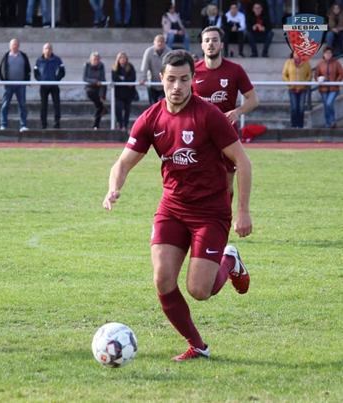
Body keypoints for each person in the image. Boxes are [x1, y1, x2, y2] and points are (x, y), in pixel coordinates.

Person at [103, 50, 252, 362]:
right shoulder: (151, 119)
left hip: (211, 211)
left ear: (192, 80)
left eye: (185, 79)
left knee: (200, 290)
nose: (178, 86)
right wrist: (113, 188)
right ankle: (198, 345)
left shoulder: (208, 115)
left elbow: (242, 161)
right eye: (171, 79)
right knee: (163, 279)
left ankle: (230, 261)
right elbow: (123, 163)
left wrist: (242, 211)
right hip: (172, 208)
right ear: (161, 79)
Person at [194, 26, 258, 197]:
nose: (211, 44)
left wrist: (237, 112)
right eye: (207, 40)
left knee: (227, 184)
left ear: (221, 44)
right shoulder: (193, 71)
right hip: (200, 133)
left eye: (214, 40)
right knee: (199, 180)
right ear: (202, 45)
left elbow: (253, 99)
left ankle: (224, 221)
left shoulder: (234, 70)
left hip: (227, 132)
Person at [0, 38, 31, 132]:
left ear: (19, 45)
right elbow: (0, 70)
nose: (15, 46)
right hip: (8, 85)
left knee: (22, 105)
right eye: (13, 45)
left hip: (21, 85)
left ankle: (23, 125)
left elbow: (28, 69)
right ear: (10, 46)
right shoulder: (5, 56)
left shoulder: (23, 56)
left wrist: (26, 81)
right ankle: (3, 124)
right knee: (5, 105)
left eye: (16, 44)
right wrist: (4, 80)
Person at [34, 43, 65, 129]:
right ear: (43, 50)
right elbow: (36, 73)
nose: (48, 50)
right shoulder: (39, 60)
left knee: (56, 105)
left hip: (54, 86)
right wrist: (41, 80)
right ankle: (43, 124)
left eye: (49, 48)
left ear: (52, 50)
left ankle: (57, 123)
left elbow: (62, 71)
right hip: (44, 86)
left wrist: (56, 79)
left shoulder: (57, 59)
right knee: (43, 105)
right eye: (46, 48)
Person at [315, 46, 343, 128]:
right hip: (323, 88)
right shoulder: (320, 64)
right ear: (323, 54)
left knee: (329, 103)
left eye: (329, 53)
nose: (328, 54)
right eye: (326, 53)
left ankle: (333, 120)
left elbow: (340, 74)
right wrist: (319, 79)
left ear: (332, 54)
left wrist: (336, 81)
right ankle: (328, 122)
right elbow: (316, 75)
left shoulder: (336, 63)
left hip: (333, 88)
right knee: (326, 106)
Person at [282, 52, 312, 128]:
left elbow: (310, 75)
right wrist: (289, 83)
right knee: (294, 107)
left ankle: (300, 125)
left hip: (303, 89)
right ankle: (294, 125)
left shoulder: (306, 62)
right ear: (293, 54)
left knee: (301, 108)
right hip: (292, 89)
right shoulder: (288, 62)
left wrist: (305, 83)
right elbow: (284, 74)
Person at [140, 35, 171, 106]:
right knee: (153, 105)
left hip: (164, 84)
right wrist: (142, 78)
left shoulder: (169, 52)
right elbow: (144, 66)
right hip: (151, 83)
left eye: (161, 42)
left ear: (164, 43)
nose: (159, 43)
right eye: (158, 41)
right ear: (154, 42)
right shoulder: (149, 52)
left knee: (162, 104)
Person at [111, 52, 136, 130]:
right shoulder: (115, 68)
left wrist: (123, 79)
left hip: (128, 93)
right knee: (118, 108)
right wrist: (124, 80)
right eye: (121, 58)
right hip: (118, 93)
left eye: (124, 58)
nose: (122, 59)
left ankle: (125, 124)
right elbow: (115, 78)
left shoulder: (130, 67)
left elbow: (132, 78)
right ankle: (119, 123)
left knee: (127, 109)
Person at [83, 52, 107, 129]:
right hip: (90, 88)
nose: (96, 61)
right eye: (94, 60)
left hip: (99, 89)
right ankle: (103, 110)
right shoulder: (87, 65)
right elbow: (85, 78)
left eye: (97, 60)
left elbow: (103, 80)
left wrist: (101, 95)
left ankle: (96, 125)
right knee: (99, 106)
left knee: (99, 107)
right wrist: (95, 81)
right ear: (91, 60)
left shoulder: (101, 66)